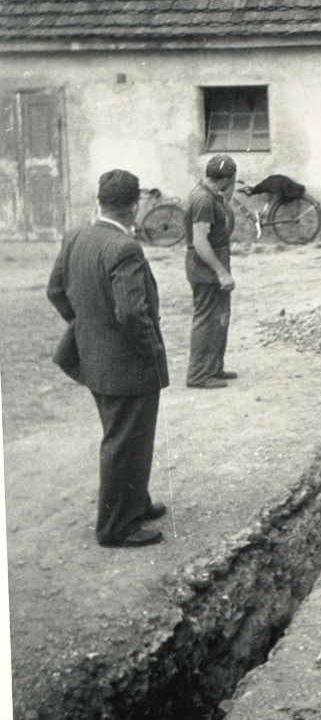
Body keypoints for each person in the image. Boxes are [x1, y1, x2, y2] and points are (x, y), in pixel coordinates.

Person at [47, 169, 169, 548]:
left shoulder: (75, 236)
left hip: (94, 356)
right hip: (127, 363)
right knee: (125, 440)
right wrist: (151, 352)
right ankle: (116, 527)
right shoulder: (124, 247)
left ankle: (135, 502)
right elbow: (132, 313)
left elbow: (55, 291)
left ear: (99, 201)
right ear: (133, 207)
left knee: (127, 436)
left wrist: (87, 325)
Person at [185, 153, 237, 388]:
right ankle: (198, 375)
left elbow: (225, 206)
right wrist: (221, 272)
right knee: (206, 318)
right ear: (226, 179)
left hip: (215, 260)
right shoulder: (203, 199)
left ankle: (213, 369)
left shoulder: (212, 194)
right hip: (205, 265)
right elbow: (200, 242)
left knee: (219, 317)